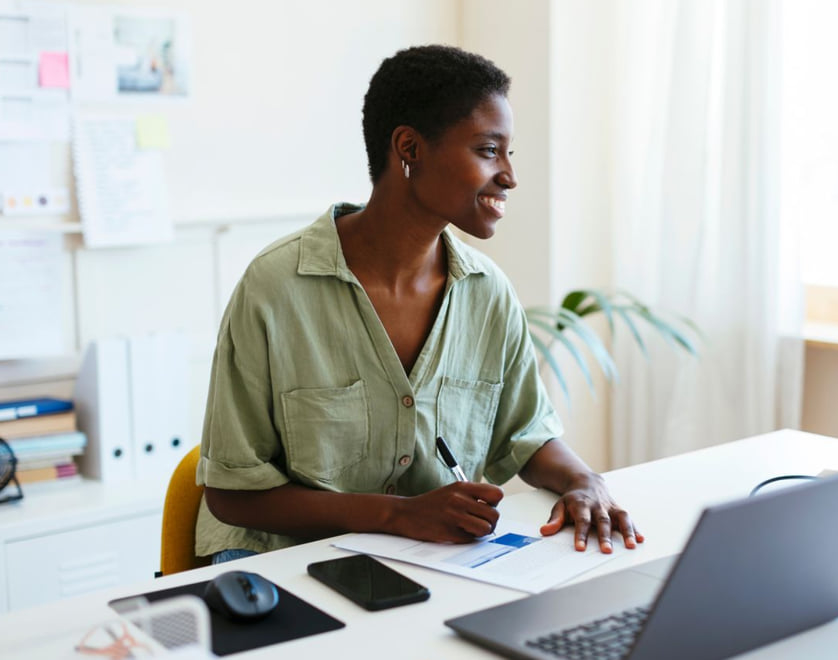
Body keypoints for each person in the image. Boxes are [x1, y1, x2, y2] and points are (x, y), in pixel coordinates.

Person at [195, 44, 643, 565]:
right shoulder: (274, 288)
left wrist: (586, 482)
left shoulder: (488, 292)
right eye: (487, 150)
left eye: (508, 153)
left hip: (429, 562)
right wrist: (396, 514)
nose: (509, 176)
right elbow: (231, 493)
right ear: (409, 148)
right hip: (284, 566)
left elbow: (526, 436)